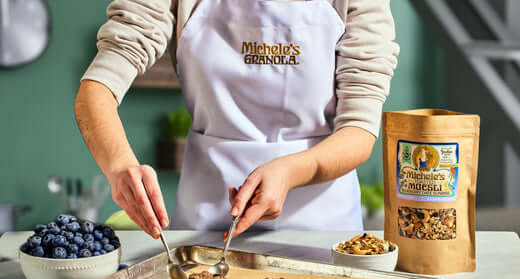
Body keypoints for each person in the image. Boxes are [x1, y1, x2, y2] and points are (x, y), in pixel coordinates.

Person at [74, 0, 399, 239]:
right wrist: (118, 167)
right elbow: (96, 92)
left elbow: (358, 131)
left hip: (323, 229)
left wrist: (288, 171)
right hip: (206, 227)